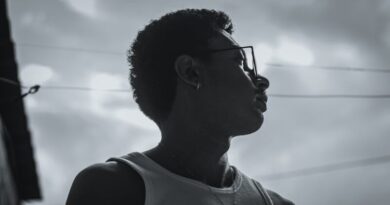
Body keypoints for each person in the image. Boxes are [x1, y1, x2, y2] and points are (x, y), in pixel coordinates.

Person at [66, 9, 294, 205]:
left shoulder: (275, 203)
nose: (262, 81)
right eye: (240, 62)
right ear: (190, 72)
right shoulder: (112, 188)